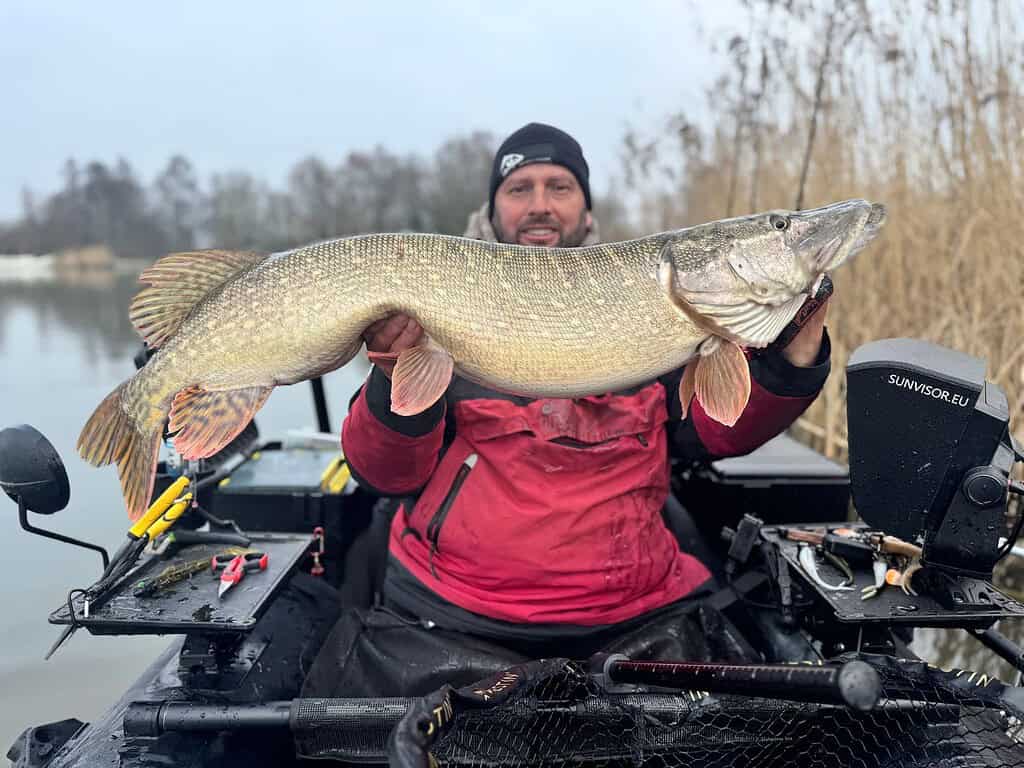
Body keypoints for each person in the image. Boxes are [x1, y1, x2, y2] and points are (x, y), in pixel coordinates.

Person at [303, 123, 831, 698]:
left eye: (559, 187)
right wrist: (391, 375)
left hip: (636, 608)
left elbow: (719, 429)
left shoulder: (660, 300)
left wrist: (793, 362)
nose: (539, 206)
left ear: (585, 207)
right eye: (519, 188)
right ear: (493, 206)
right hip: (458, 609)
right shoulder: (440, 293)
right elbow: (384, 473)